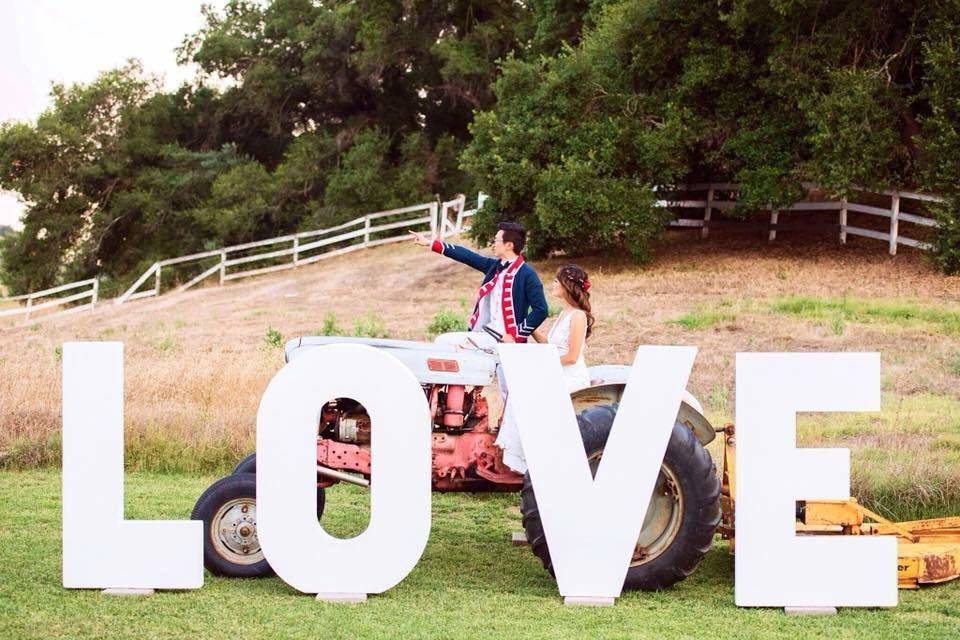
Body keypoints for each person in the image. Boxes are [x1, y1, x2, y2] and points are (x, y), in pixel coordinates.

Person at [492, 264, 594, 473]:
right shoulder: (565, 313)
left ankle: (531, 461)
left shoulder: (578, 316)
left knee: (528, 395)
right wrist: (530, 330)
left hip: (570, 377)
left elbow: (571, 356)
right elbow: (552, 347)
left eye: (557, 281)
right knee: (520, 393)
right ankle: (524, 462)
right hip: (557, 373)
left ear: (567, 285)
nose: (553, 284)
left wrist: (538, 363)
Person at [409, 223, 548, 344]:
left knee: (443, 342)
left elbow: (541, 310)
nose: (492, 244)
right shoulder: (494, 266)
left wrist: (516, 336)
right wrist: (431, 243)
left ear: (509, 245)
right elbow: (467, 256)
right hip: (485, 334)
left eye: (496, 240)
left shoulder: (527, 274)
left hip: (505, 341)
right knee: (443, 342)